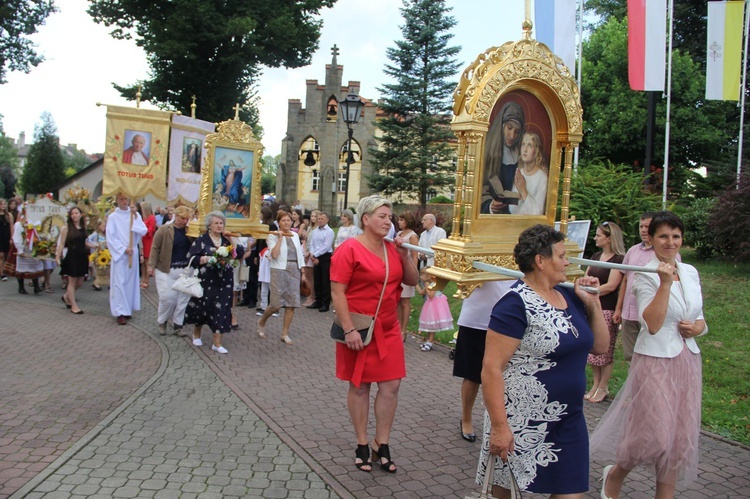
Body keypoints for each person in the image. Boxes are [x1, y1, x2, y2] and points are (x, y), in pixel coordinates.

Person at [478, 224, 607, 497]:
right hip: (521, 421)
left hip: (569, 418)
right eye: (561, 256)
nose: (567, 262)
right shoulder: (514, 304)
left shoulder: (569, 295)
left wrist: (594, 304)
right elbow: (491, 369)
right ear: (540, 260)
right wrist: (500, 428)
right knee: (511, 491)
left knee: (571, 491)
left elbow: (600, 346)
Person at [592, 211, 706, 499]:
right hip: (654, 359)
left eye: (675, 236)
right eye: (663, 236)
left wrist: (697, 328)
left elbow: (700, 317)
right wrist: (665, 284)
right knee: (653, 434)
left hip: (687, 360)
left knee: (679, 438)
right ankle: (615, 474)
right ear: (652, 240)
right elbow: (652, 325)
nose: (670, 242)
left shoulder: (690, 272)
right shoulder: (645, 273)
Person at [331, 195, 419, 473]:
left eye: (389, 216)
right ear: (365, 219)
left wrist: (405, 255)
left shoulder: (392, 249)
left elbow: (412, 281)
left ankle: (382, 442)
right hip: (359, 329)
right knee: (359, 386)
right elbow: (337, 292)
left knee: (391, 385)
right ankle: (361, 443)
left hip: (388, 327)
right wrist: (348, 329)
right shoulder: (349, 249)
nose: (387, 220)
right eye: (381, 216)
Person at [612, 212, 680, 362]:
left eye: (647, 227)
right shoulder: (632, 251)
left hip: (652, 313)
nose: (643, 230)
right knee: (631, 356)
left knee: (649, 357)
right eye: (640, 226)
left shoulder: (668, 253)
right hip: (630, 313)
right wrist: (619, 308)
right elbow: (625, 280)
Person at [453, 280, 513, 442]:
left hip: (509, 320)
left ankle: (501, 422)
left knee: (507, 376)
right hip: (477, 317)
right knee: (472, 374)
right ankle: (466, 418)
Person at [184, 211, 247, 354]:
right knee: (202, 307)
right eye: (216, 223)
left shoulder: (226, 240)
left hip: (224, 281)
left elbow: (240, 254)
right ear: (209, 226)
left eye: (221, 223)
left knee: (222, 310)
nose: (219, 226)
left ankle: (217, 343)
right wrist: (205, 259)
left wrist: (231, 239)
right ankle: (197, 333)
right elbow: (190, 258)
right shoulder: (202, 239)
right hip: (206, 280)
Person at [584, 221, 626, 403]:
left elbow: (611, 285)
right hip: (591, 306)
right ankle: (595, 383)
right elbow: (586, 276)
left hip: (606, 307)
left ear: (609, 238)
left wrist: (592, 291)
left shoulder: (618, 259)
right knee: (593, 349)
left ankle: (603, 385)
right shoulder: (595, 255)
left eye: (599, 235)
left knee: (605, 349)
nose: (595, 238)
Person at [257, 211, 305, 344]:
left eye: (288, 220)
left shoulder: (295, 235)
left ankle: (285, 333)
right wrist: (279, 238)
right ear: (279, 222)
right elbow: (275, 254)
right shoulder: (272, 236)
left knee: (291, 303)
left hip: (293, 270)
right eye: (283, 220)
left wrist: (303, 272)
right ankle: (262, 321)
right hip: (279, 269)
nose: (286, 223)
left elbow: (299, 254)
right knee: (276, 304)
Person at [147, 206, 194, 336]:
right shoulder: (164, 230)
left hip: (185, 269)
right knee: (168, 298)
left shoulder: (190, 231)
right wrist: (151, 266)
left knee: (183, 299)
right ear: (175, 216)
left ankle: (178, 325)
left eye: (186, 219)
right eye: (182, 218)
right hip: (165, 268)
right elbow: (155, 248)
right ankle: (162, 321)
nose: (184, 221)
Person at [107, 193, 148, 325]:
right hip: (121, 253)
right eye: (121, 199)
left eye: (125, 199)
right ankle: (120, 312)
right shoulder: (113, 217)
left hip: (132, 251)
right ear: (117, 201)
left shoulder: (134, 214)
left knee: (131, 281)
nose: (124, 202)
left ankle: (127, 309)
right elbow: (111, 237)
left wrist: (136, 216)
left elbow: (142, 230)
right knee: (119, 283)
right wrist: (123, 249)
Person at [481, 101, 525, 214]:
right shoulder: (488, 151)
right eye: (509, 128)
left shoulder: (523, 154)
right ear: (502, 126)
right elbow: (480, 187)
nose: (512, 136)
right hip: (494, 218)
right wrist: (490, 205)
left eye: (517, 131)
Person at [55, 206, 89, 314]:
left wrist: (96, 245)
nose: (74, 215)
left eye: (76, 213)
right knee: (72, 281)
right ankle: (74, 306)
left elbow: (84, 242)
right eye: (72, 213)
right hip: (72, 256)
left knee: (80, 281)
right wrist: (57, 255)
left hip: (82, 256)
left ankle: (66, 296)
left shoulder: (83, 227)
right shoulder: (66, 228)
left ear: (80, 215)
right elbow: (61, 244)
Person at [508, 132, 548, 216]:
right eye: (523, 144)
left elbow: (537, 212)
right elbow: (512, 209)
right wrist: (518, 197)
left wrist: (524, 192)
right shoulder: (519, 172)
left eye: (530, 145)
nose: (525, 149)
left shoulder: (542, 177)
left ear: (536, 150)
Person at [414, 266, 453, 351]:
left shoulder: (435, 284)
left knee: (433, 325)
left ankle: (430, 341)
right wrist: (415, 284)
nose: (420, 276)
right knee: (429, 324)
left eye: (422, 274)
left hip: (436, 305)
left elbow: (431, 295)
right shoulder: (427, 284)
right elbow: (421, 292)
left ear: (428, 276)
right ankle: (428, 340)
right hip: (430, 305)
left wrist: (427, 286)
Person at [396, 211, 419, 341]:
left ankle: (403, 330)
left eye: (401, 220)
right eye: (399, 220)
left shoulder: (413, 236)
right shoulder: (398, 234)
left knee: (405, 301)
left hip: (407, 269)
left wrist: (413, 272)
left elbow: (415, 256)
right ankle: (398, 326)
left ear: (407, 221)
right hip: (398, 269)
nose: (399, 222)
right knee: (398, 299)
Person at [10, 209, 43, 294]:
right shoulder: (19, 224)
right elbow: (16, 237)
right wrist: (20, 249)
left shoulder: (36, 223)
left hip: (32, 248)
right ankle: (21, 287)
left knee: (34, 267)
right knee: (21, 268)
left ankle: (36, 287)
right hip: (23, 248)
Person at [306, 212, 334, 312]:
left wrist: (316, 255)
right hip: (315, 256)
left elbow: (326, 246)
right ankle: (318, 300)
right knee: (317, 279)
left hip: (325, 256)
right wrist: (313, 255)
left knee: (325, 280)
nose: (319, 220)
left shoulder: (329, 231)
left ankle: (325, 303)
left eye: (322, 219)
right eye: (318, 218)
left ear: (327, 220)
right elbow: (312, 243)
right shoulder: (315, 231)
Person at [302, 210, 319, 307]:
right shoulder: (309, 228)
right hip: (306, 251)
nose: (312, 218)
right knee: (307, 276)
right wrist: (305, 252)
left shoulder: (317, 229)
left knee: (311, 276)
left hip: (312, 253)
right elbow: (306, 241)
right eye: (312, 216)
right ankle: (309, 294)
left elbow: (315, 243)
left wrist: (309, 253)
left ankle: (313, 295)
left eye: (314, 216)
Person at [139, 202, 157, 289]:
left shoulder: (151, 218)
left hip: (148, 241)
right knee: (142, 262)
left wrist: (143, 232)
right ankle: (143, 279)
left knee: (146, 262)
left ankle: (146, 280)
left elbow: (150, 230)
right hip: (142, 240)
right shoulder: (144, 218)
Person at [86, 220, 107, 291]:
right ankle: (96, 283)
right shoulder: (95, 234)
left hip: (104, 254)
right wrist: (95, 244)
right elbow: (88, 240)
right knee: (97, 269)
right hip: (96, 254)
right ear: (99, 226)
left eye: (105, 226)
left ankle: (104, 281)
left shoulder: (105, 234)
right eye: (103, 226)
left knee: (104, 269)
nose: (105, 227)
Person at [0, 198, 12, 281]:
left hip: (6, 236)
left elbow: (11, 226)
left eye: (4, 204)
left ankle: (4, 270)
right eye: (1, 204)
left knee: (6, 254)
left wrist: (11, 237)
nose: (3, 205)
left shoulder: (9, 215)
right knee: (1, 255)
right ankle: (2, 274)